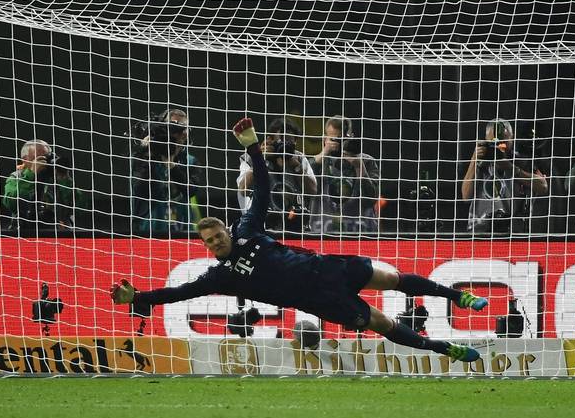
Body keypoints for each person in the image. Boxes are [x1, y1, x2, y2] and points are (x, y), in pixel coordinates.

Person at [111, 118, 485, 364]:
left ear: (225, 230)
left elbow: (264, 186)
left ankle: (458, 296)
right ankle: (443, 348)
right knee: (381, 322)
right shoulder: (220, 276)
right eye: (207, 243)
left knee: (393, 278)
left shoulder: (247, 229)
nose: (213, 245)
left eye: (216, 237)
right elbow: (178, 293)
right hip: (320, 299)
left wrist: (255, 146)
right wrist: (139, 298)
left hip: (327, 266)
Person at [460, 118, 548, 235]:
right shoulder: (480, 162)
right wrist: (474, 161)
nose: (500, 146)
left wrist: (511, 168)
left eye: (503, 142)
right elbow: (465, 196)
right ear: (486, 140)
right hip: (479, 232)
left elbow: (543, 186)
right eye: (494, 142)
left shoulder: (522, 161)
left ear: (512, 138)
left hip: (512, 233)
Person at [131, 108, 205, 237]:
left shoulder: (190, 161)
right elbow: (140, 191)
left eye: (184, 128)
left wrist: (172, 166)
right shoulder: (144, 157)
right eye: (174, 127)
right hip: (146, 234)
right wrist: (147, 156)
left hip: (182, 233)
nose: (180, 133)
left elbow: (191, 190)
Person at [237, 117, 316, 236]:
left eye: (291, 140)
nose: (287, 144)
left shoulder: (299, 158)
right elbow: (243, 189)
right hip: (260, 226)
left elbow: (313, 191)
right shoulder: (250, 158)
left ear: (296, 141)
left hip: (296, 226)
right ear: (271, 139)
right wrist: (260, 159)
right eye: (282, 140)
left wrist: (295, 165)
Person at [311, 115, 381, 234]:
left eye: (342, 138)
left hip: (361, 232)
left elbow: (371, 198)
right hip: (324, 232)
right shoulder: (318, 162)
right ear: (325, 139)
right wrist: (324, 153)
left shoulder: (366, 161)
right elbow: (305, 186)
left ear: (351, 138)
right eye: (334, 139)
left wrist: (359, 167)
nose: (339, 143)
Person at [2, 139, 86, 233]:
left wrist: (65, 179)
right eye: (40, 157)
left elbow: (81, 207)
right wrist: (31, 174)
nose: (46, 161)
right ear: (25, 160)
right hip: (26, 233)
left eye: (48, 156)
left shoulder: (57, 178)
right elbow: (11, 203)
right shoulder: (17, 177)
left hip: (59, 234)